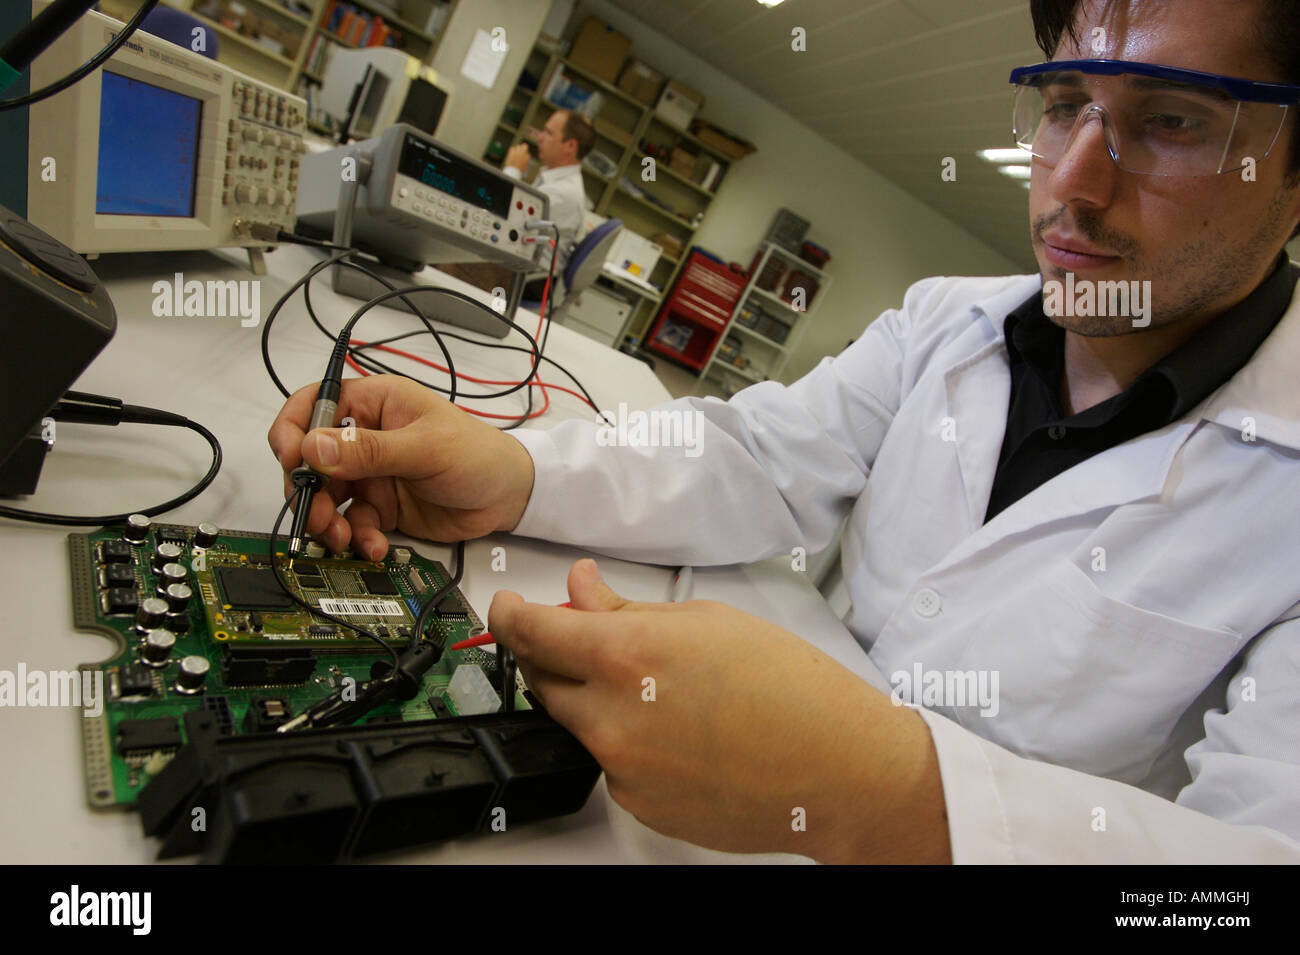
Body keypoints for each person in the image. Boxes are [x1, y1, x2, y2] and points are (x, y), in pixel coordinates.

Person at [269, 0, 1300, 863]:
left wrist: (885, 793)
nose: (1075, 181)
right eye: (1067, 101)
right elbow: (755, 458)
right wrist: (512, 471)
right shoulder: (951, 319)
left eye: (1170, 120)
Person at [438, 109, 593, 298]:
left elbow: (505, 224)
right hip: (520, 265)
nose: (540, 137)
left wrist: (513, 170)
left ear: (570, 146)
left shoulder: (563, 193)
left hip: (524, 279)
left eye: (549, 133)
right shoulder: (556, 180)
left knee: (445, 256)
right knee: (446, 245)